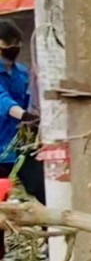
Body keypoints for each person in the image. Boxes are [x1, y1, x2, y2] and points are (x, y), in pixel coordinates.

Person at [0, 21, 44, 204]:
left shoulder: (23, 73)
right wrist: (24, 116)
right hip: (2, 146)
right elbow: (3, 100)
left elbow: (31, 100)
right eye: (9, 42)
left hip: (22, 145)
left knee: (42, 189)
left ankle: (50, 228)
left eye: (17, 42)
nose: (14, 47)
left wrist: (35, 117)